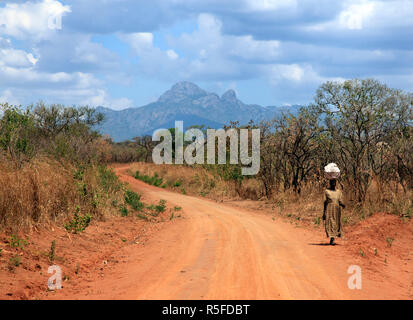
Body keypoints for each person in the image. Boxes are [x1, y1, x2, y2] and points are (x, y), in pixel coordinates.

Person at [323, 179, 345, 245]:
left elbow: (340, 201)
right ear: (329, 183)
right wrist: (324, 212)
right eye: (332, 182)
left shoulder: (339, 192)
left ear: (336, 183)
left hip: (337, 209)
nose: (333, 183)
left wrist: (342, 204)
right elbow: (325, 202)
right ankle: (332, 238)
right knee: (331, 222)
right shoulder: (326, 191)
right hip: (329, 209)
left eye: (334, 182)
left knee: (336, 223)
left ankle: (334, 237)